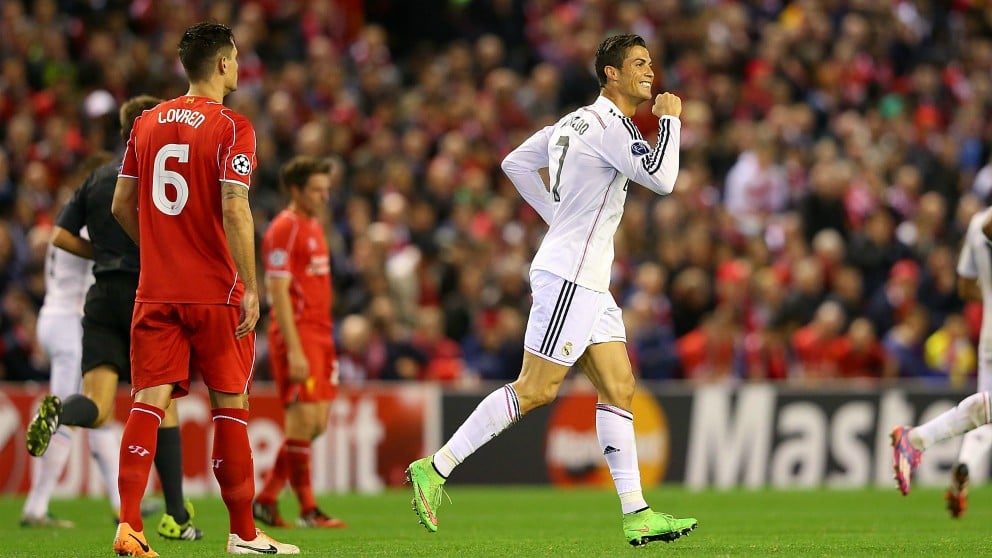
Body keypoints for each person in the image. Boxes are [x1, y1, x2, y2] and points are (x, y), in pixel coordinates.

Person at [405, 33, 697, 547]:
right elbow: (663, 179)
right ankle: (436, 465)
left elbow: (514, 163)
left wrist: (555, 217)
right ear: (610, 73)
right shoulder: (610, 125)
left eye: (652, 63)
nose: (650, 72)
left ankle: (637, 513)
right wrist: (670, 119)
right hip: (569, 277)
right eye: (638, 64)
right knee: (537, 388)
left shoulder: (570, 123)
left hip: (588, 279)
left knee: (619, 388)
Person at [109, 22, 297, 555]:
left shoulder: (144, 123)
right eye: (235, 59)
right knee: (229, 406)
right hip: (217, 291)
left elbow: (122, 205)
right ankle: (242, 533)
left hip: (157, 290)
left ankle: (130, 526)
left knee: (147, 403)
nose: (238, 68)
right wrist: (253, 288)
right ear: (221, 64)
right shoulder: (233, 126)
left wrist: (161, 249)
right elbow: (235, 206)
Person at [24, 95, 201, 541]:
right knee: (165, 402)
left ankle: (61, 411)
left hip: (100, 297)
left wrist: (101, 253)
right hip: (147, 295)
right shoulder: (166, 174)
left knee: (98, 407)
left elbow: (60, 235)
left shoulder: (97, 178)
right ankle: (177, 517)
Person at [253, 156, 346, 529]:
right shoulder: (284, 228)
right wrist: (293, 348)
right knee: (302, 419)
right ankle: (308, 509)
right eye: (317, 190)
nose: (325, 197)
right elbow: (276, 289)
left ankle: (267, 498)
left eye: (326, 190)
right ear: (296, 190)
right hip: (298, 332)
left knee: (317, 422)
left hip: (322, 332)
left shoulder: (313, 224)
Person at [891, 205, 992, 517]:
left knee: (988, 411)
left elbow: (965, 286)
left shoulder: (976, 221)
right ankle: (917, 438)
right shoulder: (984, 223)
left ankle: (956, 461)